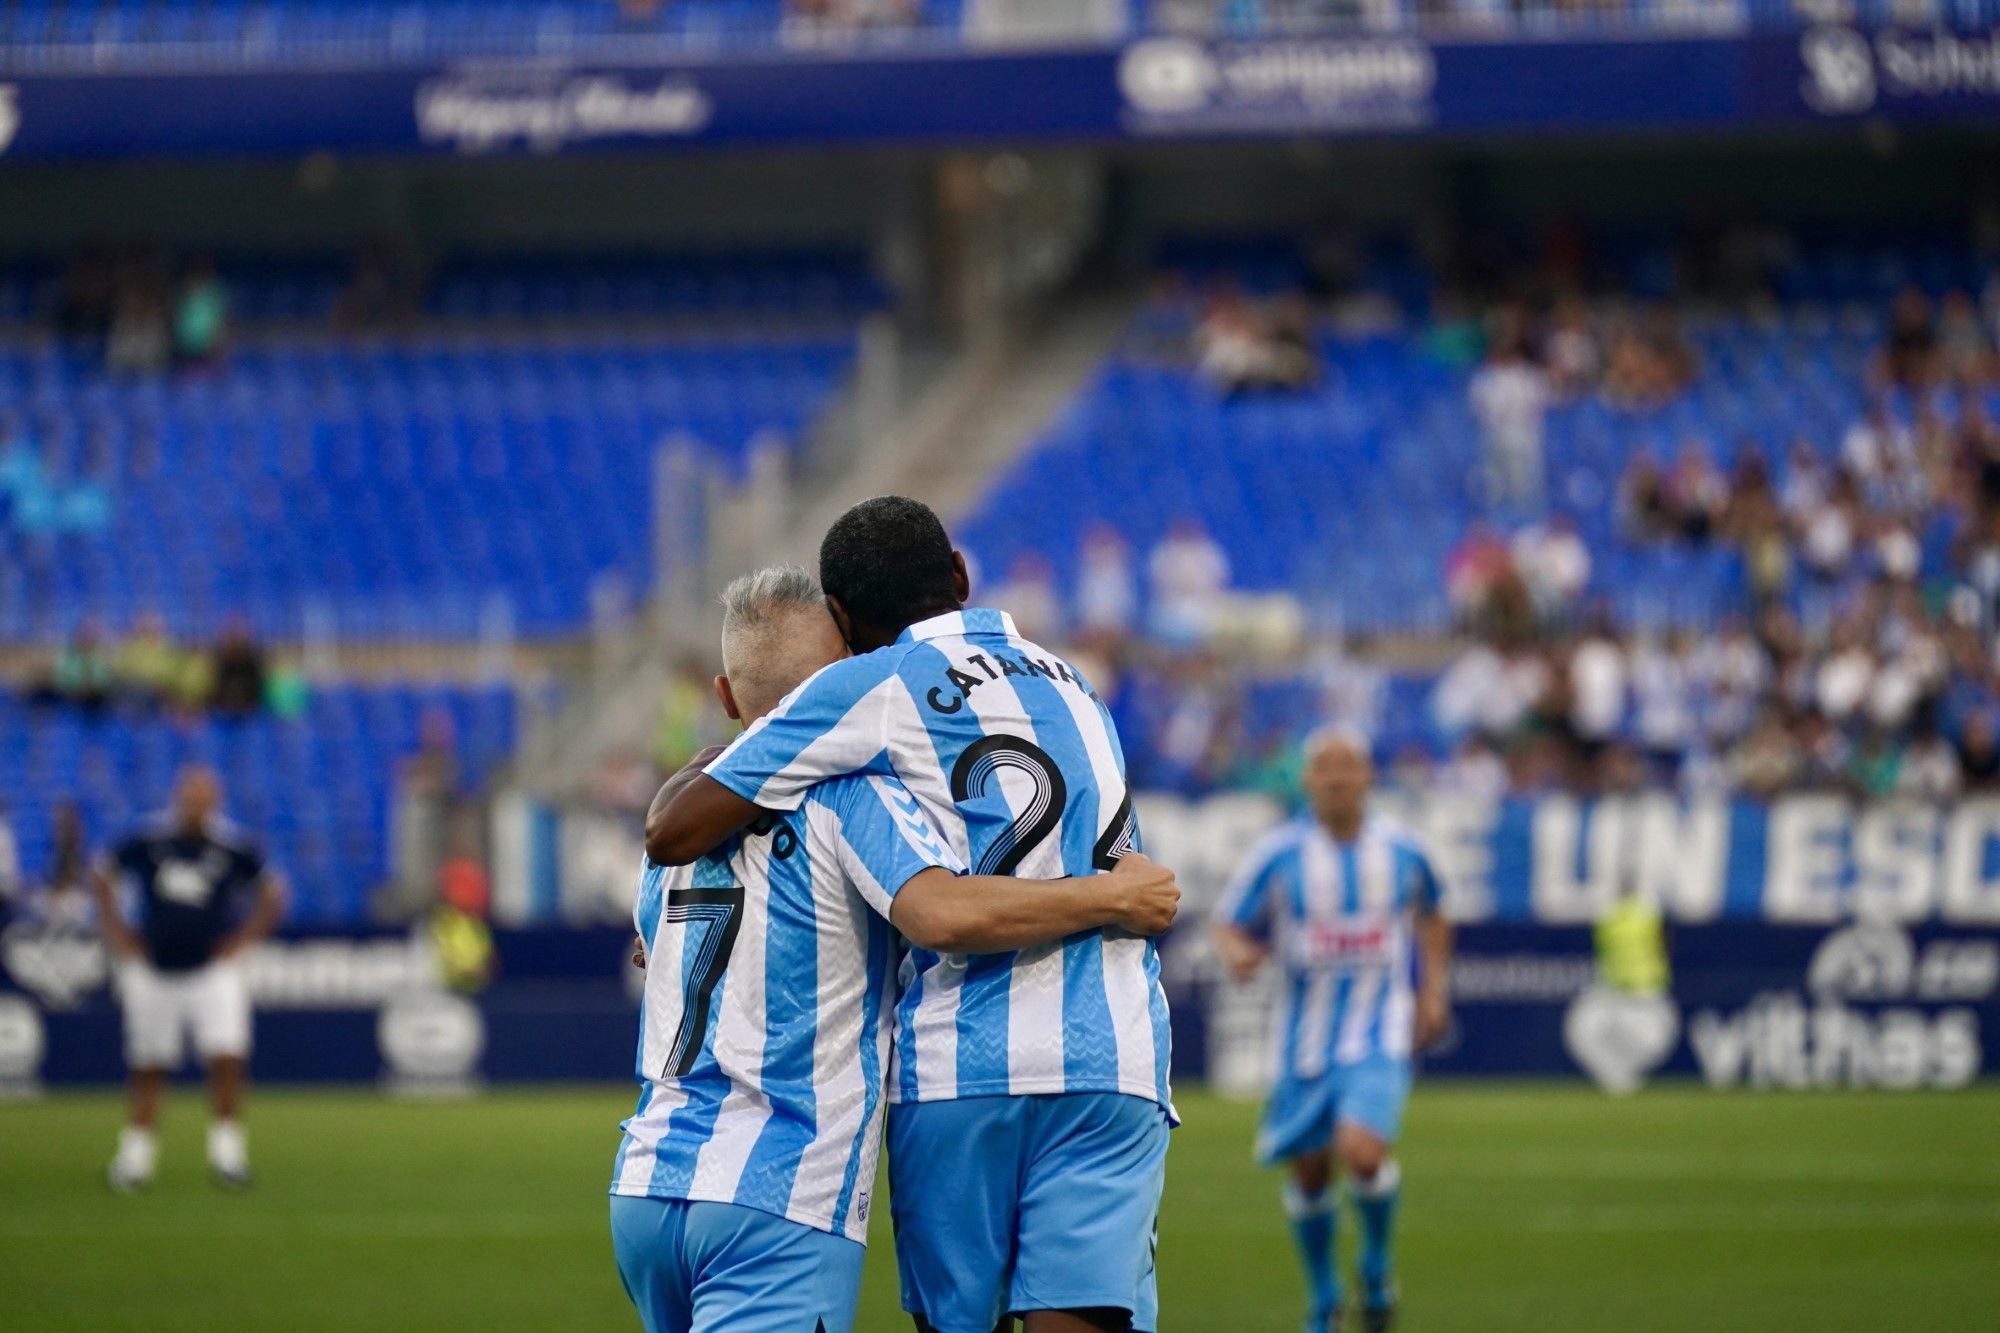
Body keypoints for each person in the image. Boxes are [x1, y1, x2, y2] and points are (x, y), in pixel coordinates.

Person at [646, 497, 1175, 1333]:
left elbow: (674, 831)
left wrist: (744, 749)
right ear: (961, 574)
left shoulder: (867, 686)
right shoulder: (1080, 688)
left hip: (958, 1065)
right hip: (1112, 1054)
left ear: (844, 621)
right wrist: (1112, 897)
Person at [1210, 730, 1453, 1333]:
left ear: (1371, 778)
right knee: (1311, 1172)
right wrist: (1237, 952)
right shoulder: (1279, 853)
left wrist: (1433, 990)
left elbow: (1437, 908)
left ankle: (1375, 1264)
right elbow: (1226, 923)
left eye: (1350, 767)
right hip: (1302, 1039)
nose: (1339, 778)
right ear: (1307, 781)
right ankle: (1324, 1296)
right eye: (1326, 768)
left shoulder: (1402, 850)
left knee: (1364, 1151)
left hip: (1378, 1031)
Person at [92, 766, 287, 1192]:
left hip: (211, 969)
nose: (197, 804)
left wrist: (245, 938)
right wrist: (117, 930)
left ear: (215, 802)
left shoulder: (231, 845)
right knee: (148, 1064)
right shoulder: (150, 839)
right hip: (153, 967)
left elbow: (273, 890)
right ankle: (135, 1158)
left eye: (205, 797)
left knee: (226, 1057)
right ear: (179, 797)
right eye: (190, 795)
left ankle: (227, 1154)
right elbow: (102, 873)